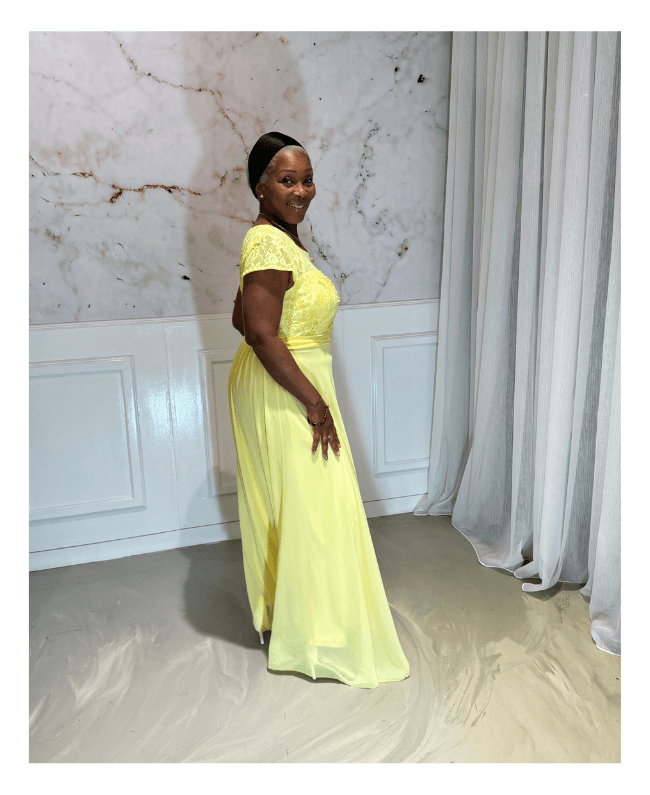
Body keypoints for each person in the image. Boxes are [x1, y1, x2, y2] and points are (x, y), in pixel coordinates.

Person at [227, 131, 410, 688]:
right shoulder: (266, 242)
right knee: (314, 505)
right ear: (261, 187)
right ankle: (313, 628)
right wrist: (313, 401)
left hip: (285, 378)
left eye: (307, 180)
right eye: (288, 180)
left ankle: (303, 615)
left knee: (305, 503)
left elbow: (241, 318)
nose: (302, 190)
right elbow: (259, 332)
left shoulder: (279, 241)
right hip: (287, 385)